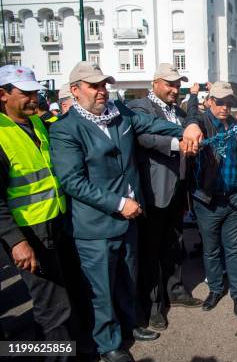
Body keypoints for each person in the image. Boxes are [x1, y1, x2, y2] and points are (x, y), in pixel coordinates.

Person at [49, 61, 202, 362]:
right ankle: (108, 345)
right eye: (94, 86)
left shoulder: (121, 114)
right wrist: (119, 203)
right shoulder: (65, 129)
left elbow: (153, 124)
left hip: (129, 220)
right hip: (96, 226)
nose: (102, 91)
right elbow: (73, 181)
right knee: (101, 290)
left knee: (126, 280)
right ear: (75, 90)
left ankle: (129, 327)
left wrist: (188, 125)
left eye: (104, 84)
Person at [0, 65, 72, 359]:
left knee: (52, 302)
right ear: (3, 95)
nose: (33, 98)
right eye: (25, 93)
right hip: (28, 233)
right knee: (54, 305)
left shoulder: (37, 123)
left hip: (52, 222)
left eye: (35, 92)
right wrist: (17, 242)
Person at [127, 64, 204, 332]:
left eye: (178, 85)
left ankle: (176, 290)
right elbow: (144, 137)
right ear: (155, 83)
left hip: (177, 189)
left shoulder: (179, 111)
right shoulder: (141, 107)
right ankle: (153, 306)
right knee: (151, 251)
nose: (175, 89)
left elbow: (191, 124)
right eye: (170, 84)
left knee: (174, 243)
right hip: (154, 192)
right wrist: (179, 143)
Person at [184, 81, 237, 317]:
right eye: (219, 101)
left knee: (233, 249)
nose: (224, 107)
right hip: (207, 201)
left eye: (228, 103)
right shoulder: (200, 124)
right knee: (211, 250)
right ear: (209, 101)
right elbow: (190, 118)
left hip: (233, 200)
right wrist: (193, 108)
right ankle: (214, 290)